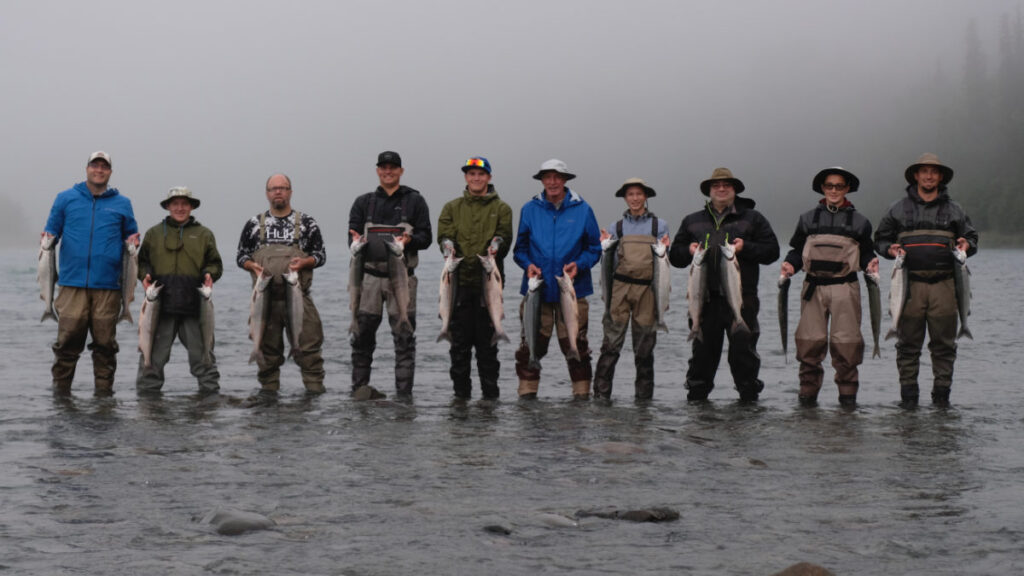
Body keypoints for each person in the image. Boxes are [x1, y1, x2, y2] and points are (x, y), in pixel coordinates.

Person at [874, 153, 978, 408]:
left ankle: (941, 399)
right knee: (907, 345)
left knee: (944, 345)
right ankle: (908, 400)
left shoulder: (955, 209)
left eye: (934, 171)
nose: (929, 176)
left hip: (945, 285)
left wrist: (967, 244)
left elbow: (972, 239)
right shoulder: (897, 208)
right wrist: (889, 250)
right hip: (908, 285)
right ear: (916, 176)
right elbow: (879, 240)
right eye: (924, 171)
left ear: (941, 177)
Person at [669, 167, 779, 402]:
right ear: (709, 191)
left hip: (742, 300)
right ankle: (698, 409)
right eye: (716, 185)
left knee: (743, 354)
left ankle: (748, 406)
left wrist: (745, 247)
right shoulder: (692, 221)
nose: (721, 189)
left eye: (726, 185)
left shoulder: (753, 218)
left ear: (735, 190)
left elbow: (772, 252)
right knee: (702, 357)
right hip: (703, 301)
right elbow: (674, 257)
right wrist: (687, 251)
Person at [43, 151, 139, 396]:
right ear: (86, 168)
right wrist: (46, 239)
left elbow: (131, 239)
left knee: (105, 346)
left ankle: (104, 399)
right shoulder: (65, 198)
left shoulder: (122, 203)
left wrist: (134, 243)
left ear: (110, 172)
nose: (99, 170)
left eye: (104, 166)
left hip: (108, 287)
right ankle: (61, 397)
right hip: (71, 285)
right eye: (95, 165)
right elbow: (51, 234)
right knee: (66, 345)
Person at [780, 168, 877, 407]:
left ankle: (847, 402)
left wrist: (871, 264)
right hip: (813, 287)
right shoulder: (807, 218)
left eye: (839, 186)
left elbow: (866, 253)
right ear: (823, 188)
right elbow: (796, 250)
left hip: (846, 287)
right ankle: (807, 402)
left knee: (847, 346)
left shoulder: (861, 221)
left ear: (847, 189)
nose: (834, 190)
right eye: (829, 185)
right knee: (809, 344)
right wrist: (789, 265)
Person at [513, 159, 602, 400]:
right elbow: (519, 249)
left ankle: (581, 399)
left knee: (577, 347)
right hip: (537, 291)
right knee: (530, 347)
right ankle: (527, 400)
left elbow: (595, 249)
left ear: (565, 180)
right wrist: (528, 265)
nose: (552, 182)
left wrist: (579, 265)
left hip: (572, 289)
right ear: (541, 180)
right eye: (547, 177)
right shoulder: (529, 209)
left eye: (557, 177)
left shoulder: (583, 209)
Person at [347, 151, 432, 398]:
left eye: (393, 168)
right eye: (383, 167)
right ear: (377, 171)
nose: (388, 171)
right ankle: (359, 392)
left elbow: (426, 238)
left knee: (404, 339)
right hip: (368, 279)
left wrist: (410, 240)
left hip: (403, 278)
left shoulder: (416, 201)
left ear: (401, 171)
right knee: (362, 338)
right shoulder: (363, 202)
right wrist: (356, 241)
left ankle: (404, 398)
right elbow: (350, 238)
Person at [237, 173, 326, 400]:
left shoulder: (307, 223)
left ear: (290, 192)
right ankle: (268, 399)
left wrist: (305, 262)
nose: (278, 192)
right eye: (273, 188)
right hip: (265, 299)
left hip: (298, 296)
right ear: (267, 193)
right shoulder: (254, 224)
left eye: (283, 188)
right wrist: (252, 267)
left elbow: (320, 255)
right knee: (267, 354)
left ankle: (315, 399)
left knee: (309, 352)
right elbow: (241, 256)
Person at [436, 157, 513, 400]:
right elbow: (444, 235)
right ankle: (460, 401)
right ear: (466, 177)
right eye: (471, 174)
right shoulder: (451, 207)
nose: (476, 178)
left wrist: (497, 244)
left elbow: (505, 236)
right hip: (458, 287)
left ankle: (490, 402)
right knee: (459, 350)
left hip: (487, 289)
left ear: (489, 177)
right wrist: (447, 245)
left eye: (481, 174)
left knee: (487, 350)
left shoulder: (502, 208)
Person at [136, 187, 223, 395]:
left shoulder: (204, 234)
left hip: (195, 307)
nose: (180, 208)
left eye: (185, 203)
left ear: (192, 206)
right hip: (160, 308)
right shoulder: (154, 233)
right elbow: (141, 262)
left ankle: (210, 406)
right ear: (168, 206)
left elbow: (215, 264)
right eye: (175, 204)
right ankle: (148, 409)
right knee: (151, 361)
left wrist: (210, 274)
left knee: (204, 359)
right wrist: (144, 275)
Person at [593, 178, 670, 401]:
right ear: (625, 198)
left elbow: (665, 260)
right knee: (610, 345)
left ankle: (644, 403)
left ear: (646, 197)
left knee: (645, 349)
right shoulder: (615, 227)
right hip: (619, 290)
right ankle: (600, 397)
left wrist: (667, 248)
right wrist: (604, 245)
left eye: (639, 194)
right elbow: (607, 261)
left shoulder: (659, 226)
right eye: (630, 195)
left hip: (649, 290)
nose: (635, 198)